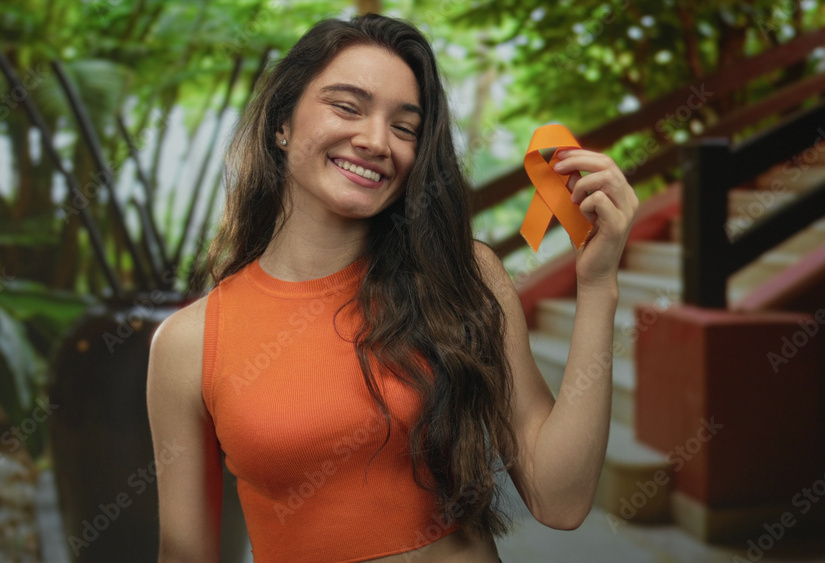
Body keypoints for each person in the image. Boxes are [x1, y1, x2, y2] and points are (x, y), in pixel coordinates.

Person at [146, 12, 638, 563]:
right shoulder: (188, 344)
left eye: (405, 127)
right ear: (281, 123)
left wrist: (598, 286)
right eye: (347, 107)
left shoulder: (461, 276)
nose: (376, 141)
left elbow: (560, 500)